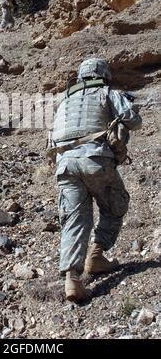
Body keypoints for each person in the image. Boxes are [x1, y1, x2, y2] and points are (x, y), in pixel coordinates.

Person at [47, 58, 142, 303]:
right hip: (95, 160)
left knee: (74, 220)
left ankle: (72, 279)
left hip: (65, 164)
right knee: (116, 205)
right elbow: (134, 121)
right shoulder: (107, 92)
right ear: (104, 75)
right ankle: (97, 254)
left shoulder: (64, 101)